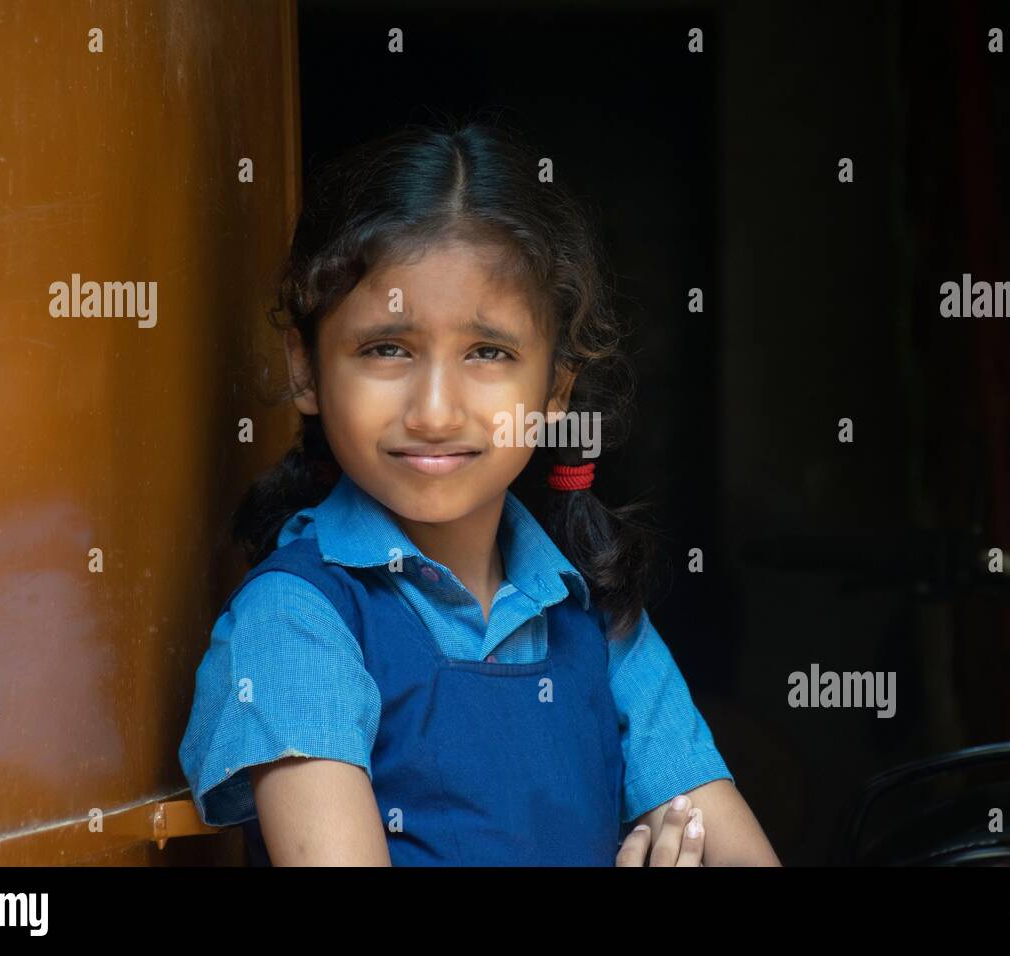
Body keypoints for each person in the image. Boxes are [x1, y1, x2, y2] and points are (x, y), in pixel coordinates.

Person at [178, 118, 781, 866]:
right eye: (386, 349)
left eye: (488, 352)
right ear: (305, 367)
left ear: (556, 387)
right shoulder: (297, 623)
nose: (435, 412)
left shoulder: (594, 617)